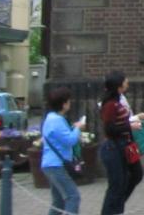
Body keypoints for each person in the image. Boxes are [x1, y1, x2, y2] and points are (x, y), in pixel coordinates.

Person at [99, 71, 144, 215]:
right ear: (118, 86)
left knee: (136, 174)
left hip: (127, 145)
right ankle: (111, 210)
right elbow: (110, 129)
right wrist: (130, 126)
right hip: (115, 147)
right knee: (116, 184)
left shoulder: (119, 101)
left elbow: (123, 121)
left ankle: (117, 206)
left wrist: (134, 121)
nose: (127, 82)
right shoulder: (110, 105)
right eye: (124, 81)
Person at [41, 86, 86, 215]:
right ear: (63, 103)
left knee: (59, 201)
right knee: (73, 196)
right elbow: (70, 140)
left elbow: (61, 136)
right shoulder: (57, 120)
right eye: (68, 100)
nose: (70, 103)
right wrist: (78, 128)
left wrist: (73, 128)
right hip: (56, 165)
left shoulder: (51, 118)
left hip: (50, 164)